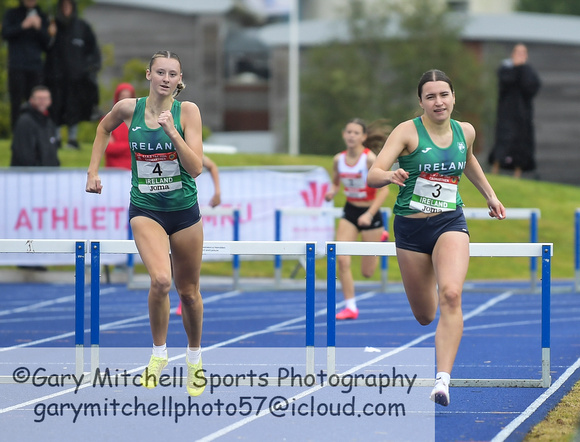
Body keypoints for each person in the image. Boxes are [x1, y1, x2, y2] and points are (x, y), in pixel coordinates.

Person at [367, 69, 506, 406]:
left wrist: (490, 194)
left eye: (444, 94)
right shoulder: (407, 133)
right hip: (411, 229)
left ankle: (442, 380)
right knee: (426, 315)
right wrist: (389, 175)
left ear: (453, 98)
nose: (438, 101)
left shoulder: (466, 131)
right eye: (430, 96)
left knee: (452, 294)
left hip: (449, 222)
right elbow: (372, 175)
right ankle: (431, 293)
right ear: (421, 102)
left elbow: (469, 159)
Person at [85, 50, 206, 397]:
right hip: (146, 208)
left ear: (179, 81)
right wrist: (92, 171)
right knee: (161, 281)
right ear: (149, 76)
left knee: (190, 293)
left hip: (184, 210)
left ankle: (195, 359)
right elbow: (103, 128)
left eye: (173, 74)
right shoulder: (128, 109)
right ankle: (158, 354)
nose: (167, 79)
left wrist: (173, 132)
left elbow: (196, 168)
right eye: (161, 72)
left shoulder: (189, 112)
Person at [325, 118, 390, 321]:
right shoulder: (338, 159)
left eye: (356, 133)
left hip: (370, 214)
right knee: (341, 258)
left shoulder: (369, 159)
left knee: (367, 273)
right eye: (348, 132)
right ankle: (350, 306)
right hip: (350, 210)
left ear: (363, 137)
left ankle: (381, 236)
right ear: (344, 135)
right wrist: (333, 192)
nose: (351, 136)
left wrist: (370, 214)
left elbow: (384, 191)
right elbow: (337, 182)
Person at [45, 0, 101, 149]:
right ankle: (55, 138)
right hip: (55, 77)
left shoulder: (82, 27)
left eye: (68, 6)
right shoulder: (52, 26)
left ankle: (72, 139)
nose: (66, 9)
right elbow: (44, 46)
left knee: (74, 108)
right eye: (63, 6)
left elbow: (93, 50)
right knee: (55, 107)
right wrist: (49, 34)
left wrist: (89, 68)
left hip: (76, 78)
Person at [176, 155, 221, 316]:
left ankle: (188, 297)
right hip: (161, 209)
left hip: (186, 212)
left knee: (188, 262)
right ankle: (179, 296)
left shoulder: (189, 149)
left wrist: (217, 192)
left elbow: (212, 166)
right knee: (169, 265)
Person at [489, 43, 541, 179]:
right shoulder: (506, 69)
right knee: (503, 141)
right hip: (506, 114)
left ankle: (517, 175)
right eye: (517, 52)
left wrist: (522, 68)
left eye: (523, 53)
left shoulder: (528, 71)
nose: (520, 56)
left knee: (521, 145)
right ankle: (495, 171)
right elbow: (506, 82)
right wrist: (518, 68)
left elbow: (531, 87)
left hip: (523, 116)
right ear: (512, 54)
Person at [1, 0, 51, 129]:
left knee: (36, 101)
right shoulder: (13, 14)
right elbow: (5, 34)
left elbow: (48, 44)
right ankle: (17, 131)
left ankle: (34, 130)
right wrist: (23, 25)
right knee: (16, 100)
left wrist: (39, 28)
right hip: (17, 64)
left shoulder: (42, 15)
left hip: (35, 65)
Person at [10, 85, 60, 167]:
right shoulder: (25, 122)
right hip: (30, 175)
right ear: (31, 100)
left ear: (50, 101)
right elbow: (23, 154)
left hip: (48, 175)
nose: (42, 101)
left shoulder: (49, 122)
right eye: (39, 98)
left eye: (45, 99)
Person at [104, 83, 136, 169]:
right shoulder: (108, 120)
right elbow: (108, 148)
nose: (125, 100)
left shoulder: (139, 120)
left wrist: (119, 146)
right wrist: (131, 146)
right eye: (122, 96)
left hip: (134, 170)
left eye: (129, 97)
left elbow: (144, 147)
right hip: (114, 171)